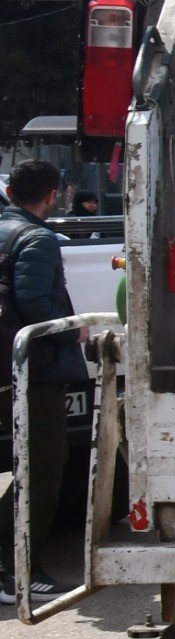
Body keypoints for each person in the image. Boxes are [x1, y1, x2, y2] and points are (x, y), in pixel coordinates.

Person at [0, 159, 78, 607]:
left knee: (24, 467)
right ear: (51, 196)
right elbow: (32, 298)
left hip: (7, 369)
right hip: (37, 369)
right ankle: (21, 573)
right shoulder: (38, 238)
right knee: (43, 467)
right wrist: (71, 330)